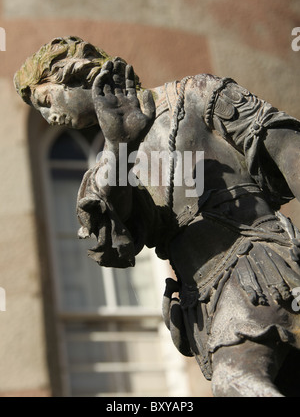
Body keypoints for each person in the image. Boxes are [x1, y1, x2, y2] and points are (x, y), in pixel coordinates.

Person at [14, 36, 300, 397]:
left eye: (45, 100)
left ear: (75, 74)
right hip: (207, 299)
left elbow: (285, 146)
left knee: (235, 382)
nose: (49, 117)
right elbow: (115, 244)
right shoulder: (105, 169)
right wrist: (120, 145)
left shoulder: (195, 94)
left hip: (263, 262)